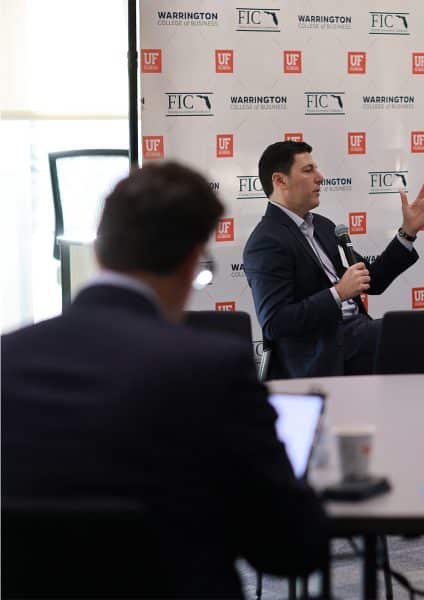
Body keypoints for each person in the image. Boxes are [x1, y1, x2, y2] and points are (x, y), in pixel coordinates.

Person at [1, 163, 328, 598]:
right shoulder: (212, 369)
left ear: (101, 251)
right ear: (194, 260)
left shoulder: (8, 359)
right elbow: (288, 549)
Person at [244, 140, 424, 378]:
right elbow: (275, 323)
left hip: (358, 334)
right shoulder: (266, 241)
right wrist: (338, 293)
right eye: (308, 170)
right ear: (280, 180)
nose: (320, 177)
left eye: (316, 168)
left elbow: (372, 280)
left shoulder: (323, 226)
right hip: (323, 353)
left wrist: (407, 232)